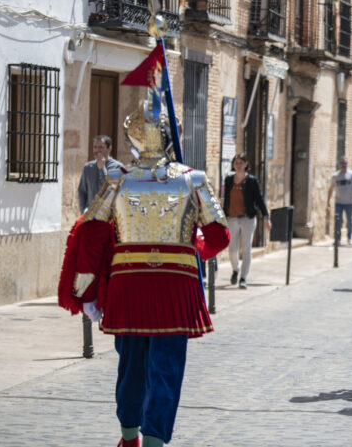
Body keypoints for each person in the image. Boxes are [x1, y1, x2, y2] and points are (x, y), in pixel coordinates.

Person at [58, 91, 230, 447]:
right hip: (177, 286)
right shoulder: (193, 179)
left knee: (131, 364)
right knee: (166, 367)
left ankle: (129, 436)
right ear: (171, 138)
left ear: (131, 137)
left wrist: (87, 284)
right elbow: (219, 235)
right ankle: (153, 440)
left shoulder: (118, 180)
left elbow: (90, 230)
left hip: (129, 285)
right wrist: (196, 246)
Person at [223, 153, 271, 288]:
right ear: (233, 165)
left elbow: (260, 200)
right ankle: (235, 269)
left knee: (246, 248)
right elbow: (225, 199)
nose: (238, 165)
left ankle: (243, 277)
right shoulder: (228, 180)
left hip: (247, 219)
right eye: (236, 162)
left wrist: (266, 217)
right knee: (232, 248)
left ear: (246, 164)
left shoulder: (252, 181)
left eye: (240, 162)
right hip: (231, 218)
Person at [77, 135, 124, 213]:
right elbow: (82, 191)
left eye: (101, 147)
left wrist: (102, 168)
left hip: (109, 216)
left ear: (109, 148)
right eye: (95, 147)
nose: (97, 150)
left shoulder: (118, 167)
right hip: (90, 216)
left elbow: (111, 190)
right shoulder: (88, 168)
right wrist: (83, 210)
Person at [327, 156, 352, 245]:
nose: (344, 165)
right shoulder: (335, 176)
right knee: (338, 221)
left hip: (349, 202)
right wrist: (328, 202)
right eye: (342, 163)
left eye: (345, 163)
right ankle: (337, 239)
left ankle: (350, 238)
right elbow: (330, 189)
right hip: (338, 202)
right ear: (339, 164)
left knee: (349, 221)